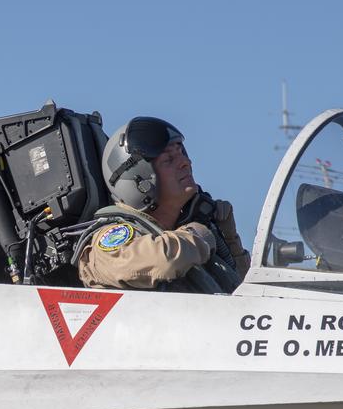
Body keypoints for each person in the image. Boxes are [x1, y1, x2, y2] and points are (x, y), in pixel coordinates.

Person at [74, 116, 250, 293]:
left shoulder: (188, 240)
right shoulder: (109, 240)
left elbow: (246, 293)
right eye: (168, 160)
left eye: (181, 153)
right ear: (139, 180)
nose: (185, 163)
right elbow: (163, 262)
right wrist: (199, 234)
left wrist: (229, 239)